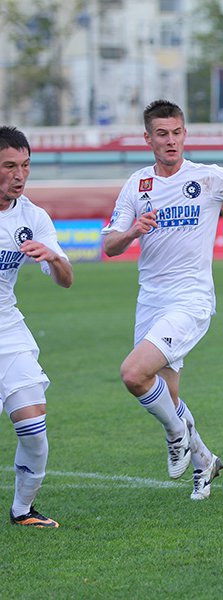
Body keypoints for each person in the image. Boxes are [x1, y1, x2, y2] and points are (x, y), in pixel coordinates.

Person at [101, 100, 223, 500]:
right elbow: (110, 244)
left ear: (185, 134)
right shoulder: (136, 186)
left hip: (191, 299)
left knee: (133, 374)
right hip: (150, 300)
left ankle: (176, 437)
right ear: (148, 138)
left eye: (177, 132)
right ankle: (203, 459)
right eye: (162, 134)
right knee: (164, 397)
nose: (171, 141)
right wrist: (133, 231)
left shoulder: (208, 178)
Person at [0, 126, 73, 527]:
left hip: (7, 329)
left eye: (25, 165)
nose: (20, 175)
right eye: (9, 166)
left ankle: (22, 510)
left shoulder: (33, 216)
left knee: (33, 423)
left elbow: (65, 279)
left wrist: (53, 257)